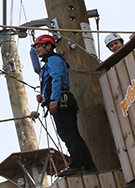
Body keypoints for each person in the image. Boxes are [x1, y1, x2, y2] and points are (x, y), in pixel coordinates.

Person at [31, 34, 96, 177]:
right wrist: (44, 96)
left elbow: (57, 78)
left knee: (68, 133)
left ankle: (78, 164)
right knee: (70, 133)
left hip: (61, 100)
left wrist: (54, 99)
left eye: (39, 46)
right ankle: (87, 164)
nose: (36, 50)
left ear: (49, 46)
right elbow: (52, 80)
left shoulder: (54, 59)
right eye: (35, 47)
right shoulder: (50, 61)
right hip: (61, 99)